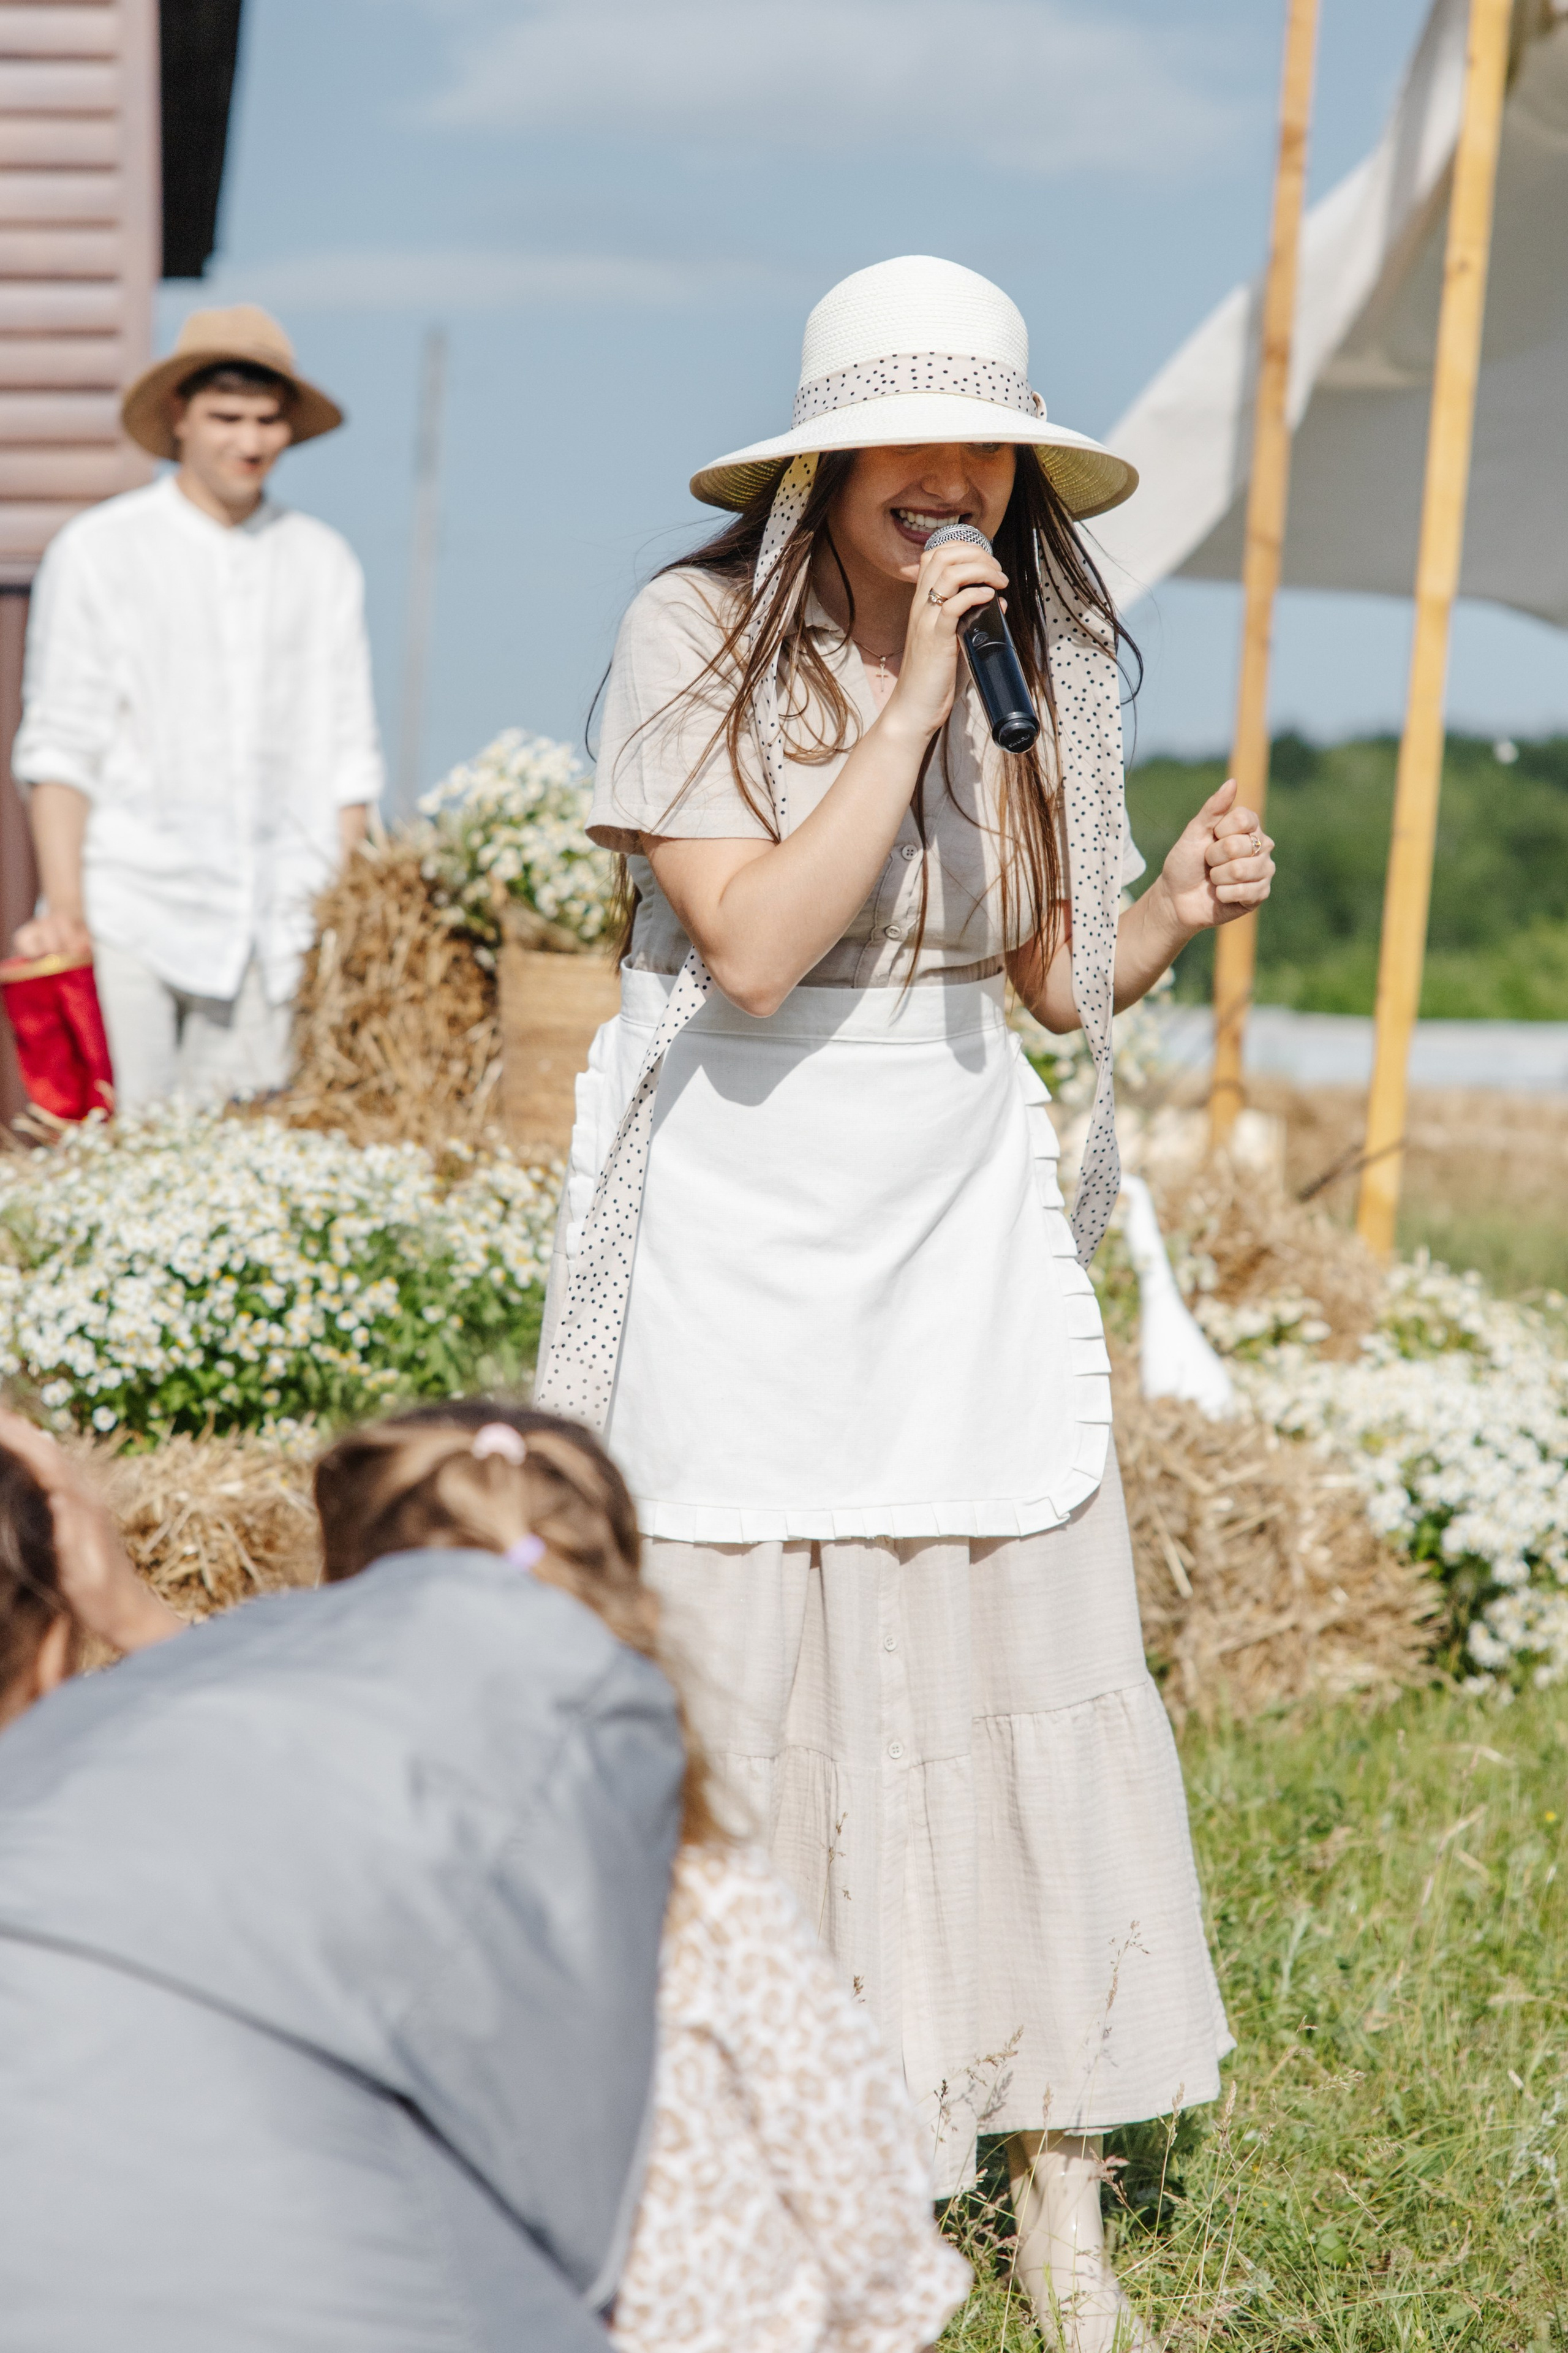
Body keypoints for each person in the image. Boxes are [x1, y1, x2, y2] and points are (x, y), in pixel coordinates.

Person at [537, 255, 1278, 2349]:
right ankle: (759, 2150)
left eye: (993, 455)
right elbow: (755, 949)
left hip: (954, 1197)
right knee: (752, 1683)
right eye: (920, 450)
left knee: (1012, 1657)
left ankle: (1056, 2198)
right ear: (838, 461)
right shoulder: (690, 634)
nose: (959, 489)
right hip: (745, 1208)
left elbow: (1047, 985)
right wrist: (906, 708)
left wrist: (1166, 914)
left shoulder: (1048, 650)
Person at [0, 1403, 968, 2353]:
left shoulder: (308, 1867)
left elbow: (285, 1770)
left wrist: (128, 1616)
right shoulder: (702, 1892)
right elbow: (864, 2205)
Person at [10, 305, 383, 1109]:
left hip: (274, 928)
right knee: (117, 1157)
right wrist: (66, 906)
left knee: (241, 1176)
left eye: (266, 418)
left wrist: (342, 919)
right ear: (179, 415)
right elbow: (60, 744)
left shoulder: (322, 562)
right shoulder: (101, 549)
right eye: (226, 417)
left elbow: (349, 759)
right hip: (127, 911)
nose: (249, 441)